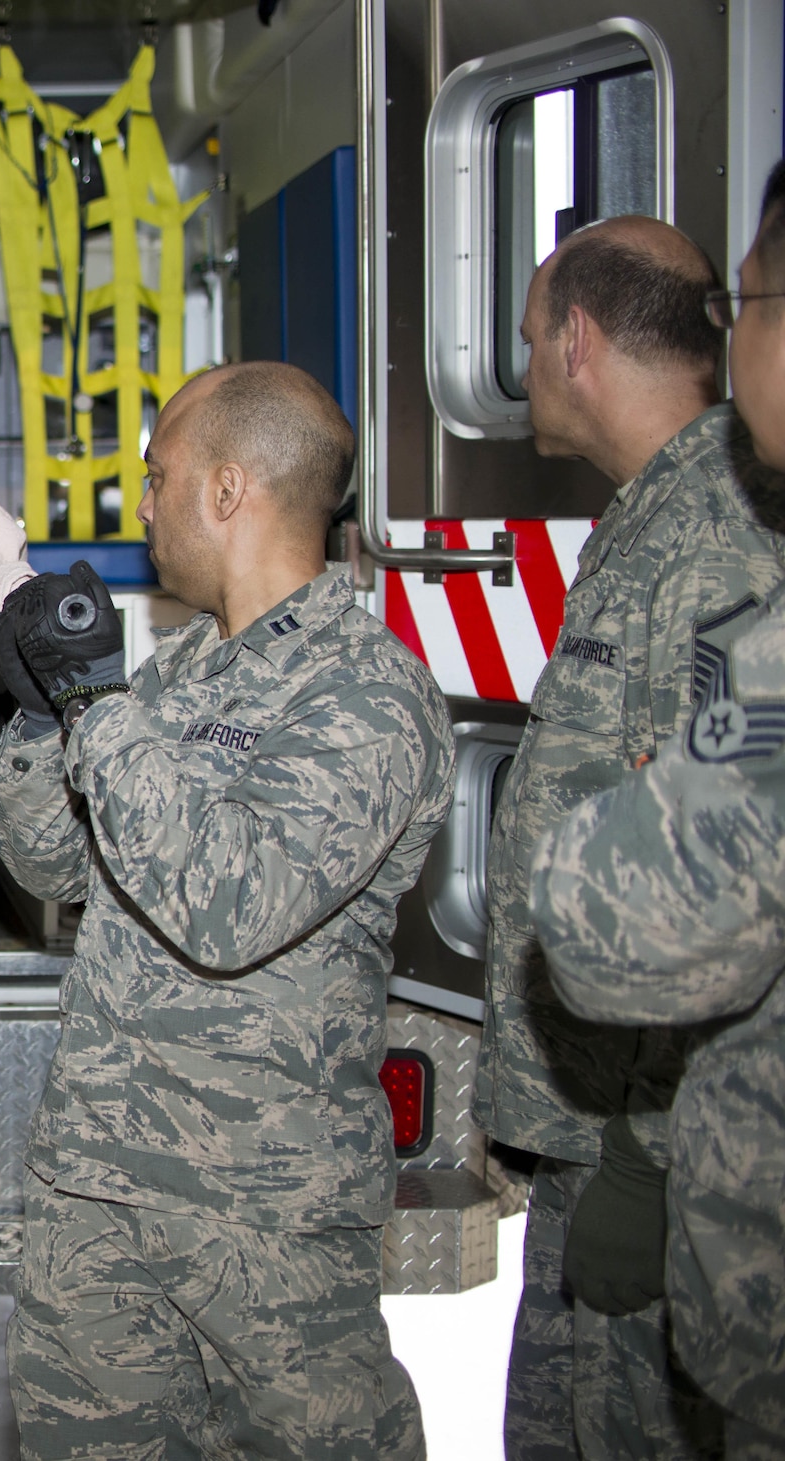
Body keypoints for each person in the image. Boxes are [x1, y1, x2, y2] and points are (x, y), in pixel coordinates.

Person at [0, 361, 452, 1458]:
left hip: (262, 1216)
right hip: (98, 1189)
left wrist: (96, 707)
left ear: (228, 490)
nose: (144, 507)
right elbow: (53, 862)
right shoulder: (181, 671)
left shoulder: (366, 693)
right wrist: (41, 719)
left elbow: (228, 904)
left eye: (158, 478)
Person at [476, 216, 785, 1459]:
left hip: (664, 1161)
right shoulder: (653, 517)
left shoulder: (714, 539)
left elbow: (722, 890)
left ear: (576, 341)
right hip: (599, 1136)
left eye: (527, 341)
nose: (524, 373)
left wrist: (645, 1165)